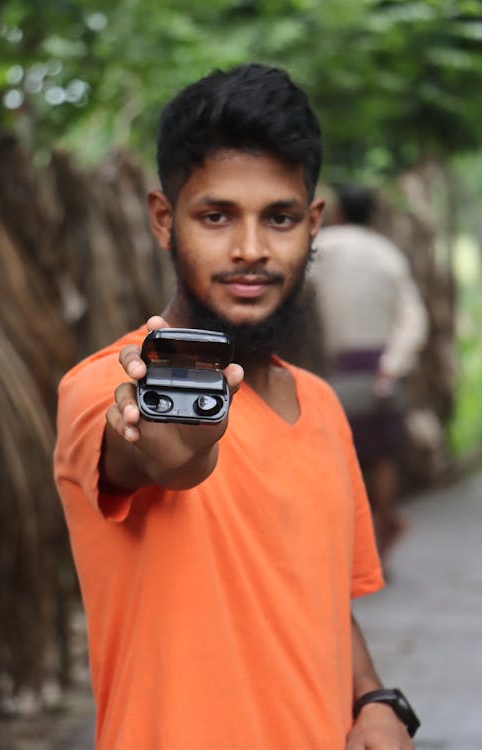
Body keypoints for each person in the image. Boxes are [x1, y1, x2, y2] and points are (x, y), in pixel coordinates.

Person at [54, 64, 420, 749]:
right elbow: (158, 455)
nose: (250, 250)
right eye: (216, 216)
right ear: (165, 220)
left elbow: (315, 599)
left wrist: (374, 698)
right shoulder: (103, 385)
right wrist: (180, 442)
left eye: (278, 217)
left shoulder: (321, 407)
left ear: (312, 225)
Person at [311, 185, 428, 563]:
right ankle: (381, 534)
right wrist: (392, 365)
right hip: (382, 370)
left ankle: (353, 546)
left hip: (338, 372)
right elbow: (414, 318)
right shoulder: (387, 254)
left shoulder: (321, 247)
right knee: (382, 459)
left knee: (341, 457)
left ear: (340, 211)